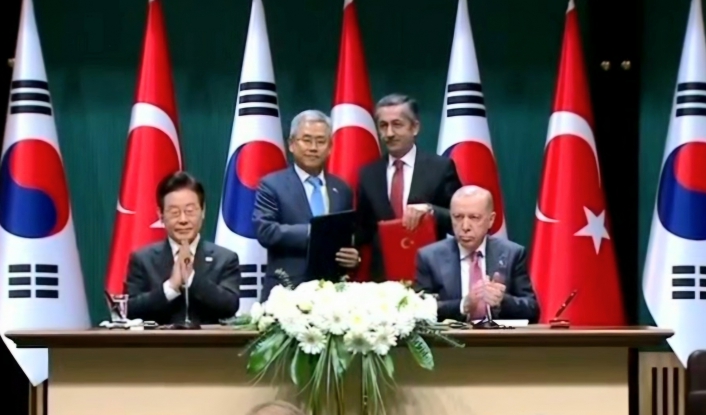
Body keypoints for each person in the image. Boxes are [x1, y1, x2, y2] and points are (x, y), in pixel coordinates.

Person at [253, 110, 360, 301]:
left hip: (332, 296)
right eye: (306, 140)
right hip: (286, 293)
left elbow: (345, 237)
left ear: (330, 147)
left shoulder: (341, 188)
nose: (313, 148)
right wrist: (315, 232)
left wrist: (353, 258)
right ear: (291, 144)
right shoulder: (272, 185)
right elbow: (266, 231)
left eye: (320, 141)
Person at [356, 93, 462, 278]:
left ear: (415, 127)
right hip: (384, 281)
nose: (389, 133)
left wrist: (431, 211)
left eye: (397, 124)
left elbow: (460, 220)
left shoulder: (440, 168)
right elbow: (363, 231)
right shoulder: (368, 174)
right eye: (383, 125)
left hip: (431, 275)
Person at [125, 171, 241, 325]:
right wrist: (171, 287)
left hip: (209, 340)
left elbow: (230, 306)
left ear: (203, 211)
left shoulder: (225, 259)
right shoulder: (143, 260)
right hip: (158, 340)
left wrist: (191, 279)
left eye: (190, 211)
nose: (183, 220)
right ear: (161, 215)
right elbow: (130, 309)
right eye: (174, 213)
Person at [415, 185, 539, 322]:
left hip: (497, 335)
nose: (465, 227)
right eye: (458, 217)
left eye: (474, 218)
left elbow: (532, 309)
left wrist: (502, 301)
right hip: (452, 335)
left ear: (490, 220)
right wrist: (462, 305)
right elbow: (418, 310)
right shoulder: (430, 257)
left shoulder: (512, 254)